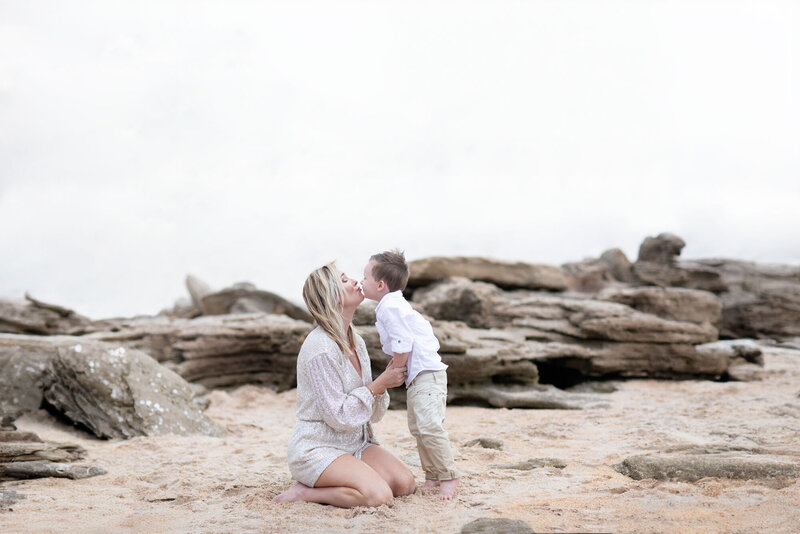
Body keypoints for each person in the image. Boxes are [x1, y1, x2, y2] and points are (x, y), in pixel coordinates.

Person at [274, 262, 416, 507]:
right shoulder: (320, 348)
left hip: (356, 443)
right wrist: (378, 385)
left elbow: (374, 414)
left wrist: (385, 382)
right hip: (318, 448)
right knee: (378, 496)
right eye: (343, 280)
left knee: (405, 484)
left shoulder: (356, 341)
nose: (353, 281)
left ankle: (352, 477)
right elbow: (338, 416)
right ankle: (304, 493)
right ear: (329, 296)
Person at [361, 250, 461, 500]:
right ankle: (433, 475)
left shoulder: (390, 306)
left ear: (381, 285)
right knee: (418, 428)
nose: (360, 281)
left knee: (429, 426)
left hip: (428, 375)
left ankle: (449, 474)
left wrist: (397, 368)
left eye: (365, 277)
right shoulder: (392, 304)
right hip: (420, 377)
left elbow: (403, 341)